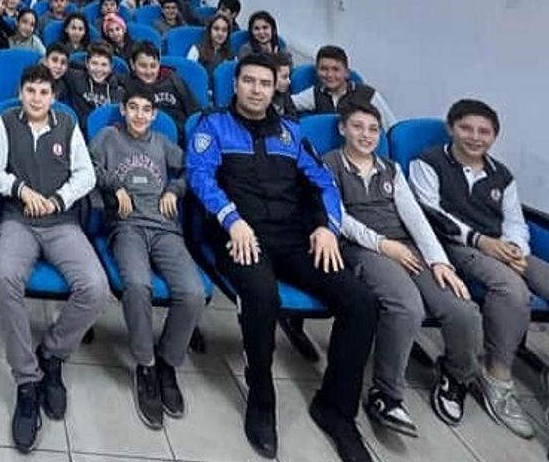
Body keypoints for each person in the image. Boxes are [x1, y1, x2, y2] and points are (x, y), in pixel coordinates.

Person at [186, 54, 378, 462]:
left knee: (361, 302)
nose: (256, 90)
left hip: (294, 238)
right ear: (235, 84)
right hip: (240, 237)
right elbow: (200, 177)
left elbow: (323, 183)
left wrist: (327, 227)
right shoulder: (212, 125)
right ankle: (261, 398)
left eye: (265, 83)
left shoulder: (292, 133)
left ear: (276, 88)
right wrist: (233, 220)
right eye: (249, 81)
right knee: (262, 296)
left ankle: (336, 409)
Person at [323, 100, 481, 436]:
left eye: (373, 129)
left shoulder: (391, 169)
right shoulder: (330, 164)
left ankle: (456, 375)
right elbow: (338, 218)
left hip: (406, 246)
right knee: (407, 306)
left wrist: (440, 262)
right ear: (342, 128)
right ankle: (386, 394)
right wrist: (383, 245)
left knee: (462, 307)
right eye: (357, 127)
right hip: (363, 248)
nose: (366, 135)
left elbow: (415, 219)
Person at [0, 63, 107, 453]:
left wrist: (59, 199)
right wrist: (19, 188)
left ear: (53, 96)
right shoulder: (7, 122)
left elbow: (86, 175)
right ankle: (27, 380)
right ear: (21, 93)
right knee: (4, 276)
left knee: (95, 288)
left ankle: (52, 353)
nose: (36, 98)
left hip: (61, 221)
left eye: (43, 92)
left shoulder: (67, 124)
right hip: (19, 219)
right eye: (30, 91)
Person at [409, 99, 548, 439]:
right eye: (466, 128)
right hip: (454, 244)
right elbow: (430, 213)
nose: (475, 137)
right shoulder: (428, 162)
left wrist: (517, 250)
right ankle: (497, 375)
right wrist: (480, 241)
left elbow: (514, 221)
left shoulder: (502, 175)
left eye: (484, 132)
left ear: (494, 137)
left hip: (499, 245)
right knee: (512, 289)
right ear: (451, 128)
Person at [89, 86, 203, 429]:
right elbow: (87, 167)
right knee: (138, 286)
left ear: (154, 115)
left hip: (165, 228)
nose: (139, 115)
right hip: (127, 227)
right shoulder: (108, 137)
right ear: (123, 110)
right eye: (133, 108)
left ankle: (168, 362)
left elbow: (192, 168)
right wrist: (115, 185)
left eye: (146, 110)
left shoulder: (163, 143)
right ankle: (146, 364)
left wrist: (173, 189)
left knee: (193, 293)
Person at [292, 46, 396, 127]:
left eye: (336, 69)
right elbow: (289, 102)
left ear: (347, 73)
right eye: (323, 69)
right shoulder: (315, 93)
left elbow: (391, 127)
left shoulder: (368, 95)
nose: (329, 75)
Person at [63, 42, 123, 128]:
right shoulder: (76, 78)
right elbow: (59, 65)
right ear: (87, 63)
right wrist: (82, 66)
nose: (99, 69)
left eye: (104, 65)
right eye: (94, 63)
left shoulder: (118, 90)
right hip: (83, 131)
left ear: (111, 67)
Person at [188, 13, 233, 82]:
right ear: (209, 30)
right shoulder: (196, 49)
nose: (220, 33)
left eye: (224, 30)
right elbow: (189, 75)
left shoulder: (231, 54)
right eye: (216, 29)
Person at [271, 52, 299, 120]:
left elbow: (293, 116)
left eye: (289, 76)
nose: (289, 81)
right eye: (284, 77)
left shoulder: (284, 93)